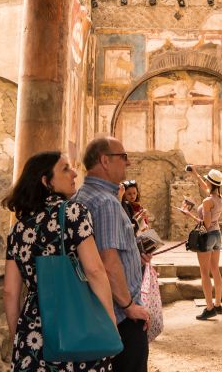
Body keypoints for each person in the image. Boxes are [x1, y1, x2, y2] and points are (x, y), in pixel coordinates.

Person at [2, 151, 115, 372]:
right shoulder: (74, 213)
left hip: (33, 333)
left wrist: (19, 335)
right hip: (77, 324)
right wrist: (109, 321)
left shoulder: (19, 228)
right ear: (47, 182)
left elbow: (9, 291)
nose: (74, 173)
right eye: (65, 169)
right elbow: (94, 270)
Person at [75, 137, 150, 372]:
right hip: (121, 318)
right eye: (123, 157)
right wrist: (129, 306)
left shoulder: (81, 196)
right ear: (105, 160)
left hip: (94, 313)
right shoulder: (105, 202)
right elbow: (107, 263)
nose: (128, 163)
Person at [179, 165, 222, 320]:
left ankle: (209, 307)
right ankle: (218, 304)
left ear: (211, 183)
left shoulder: (207, 202)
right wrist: (196, 174)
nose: (205, 182)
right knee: (215, 269)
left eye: (207, 181)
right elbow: (206, 187)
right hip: (217, 235)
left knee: (204, 272)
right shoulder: (219, 198)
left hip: (207, 236)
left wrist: (189, 214)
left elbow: (204, 224)